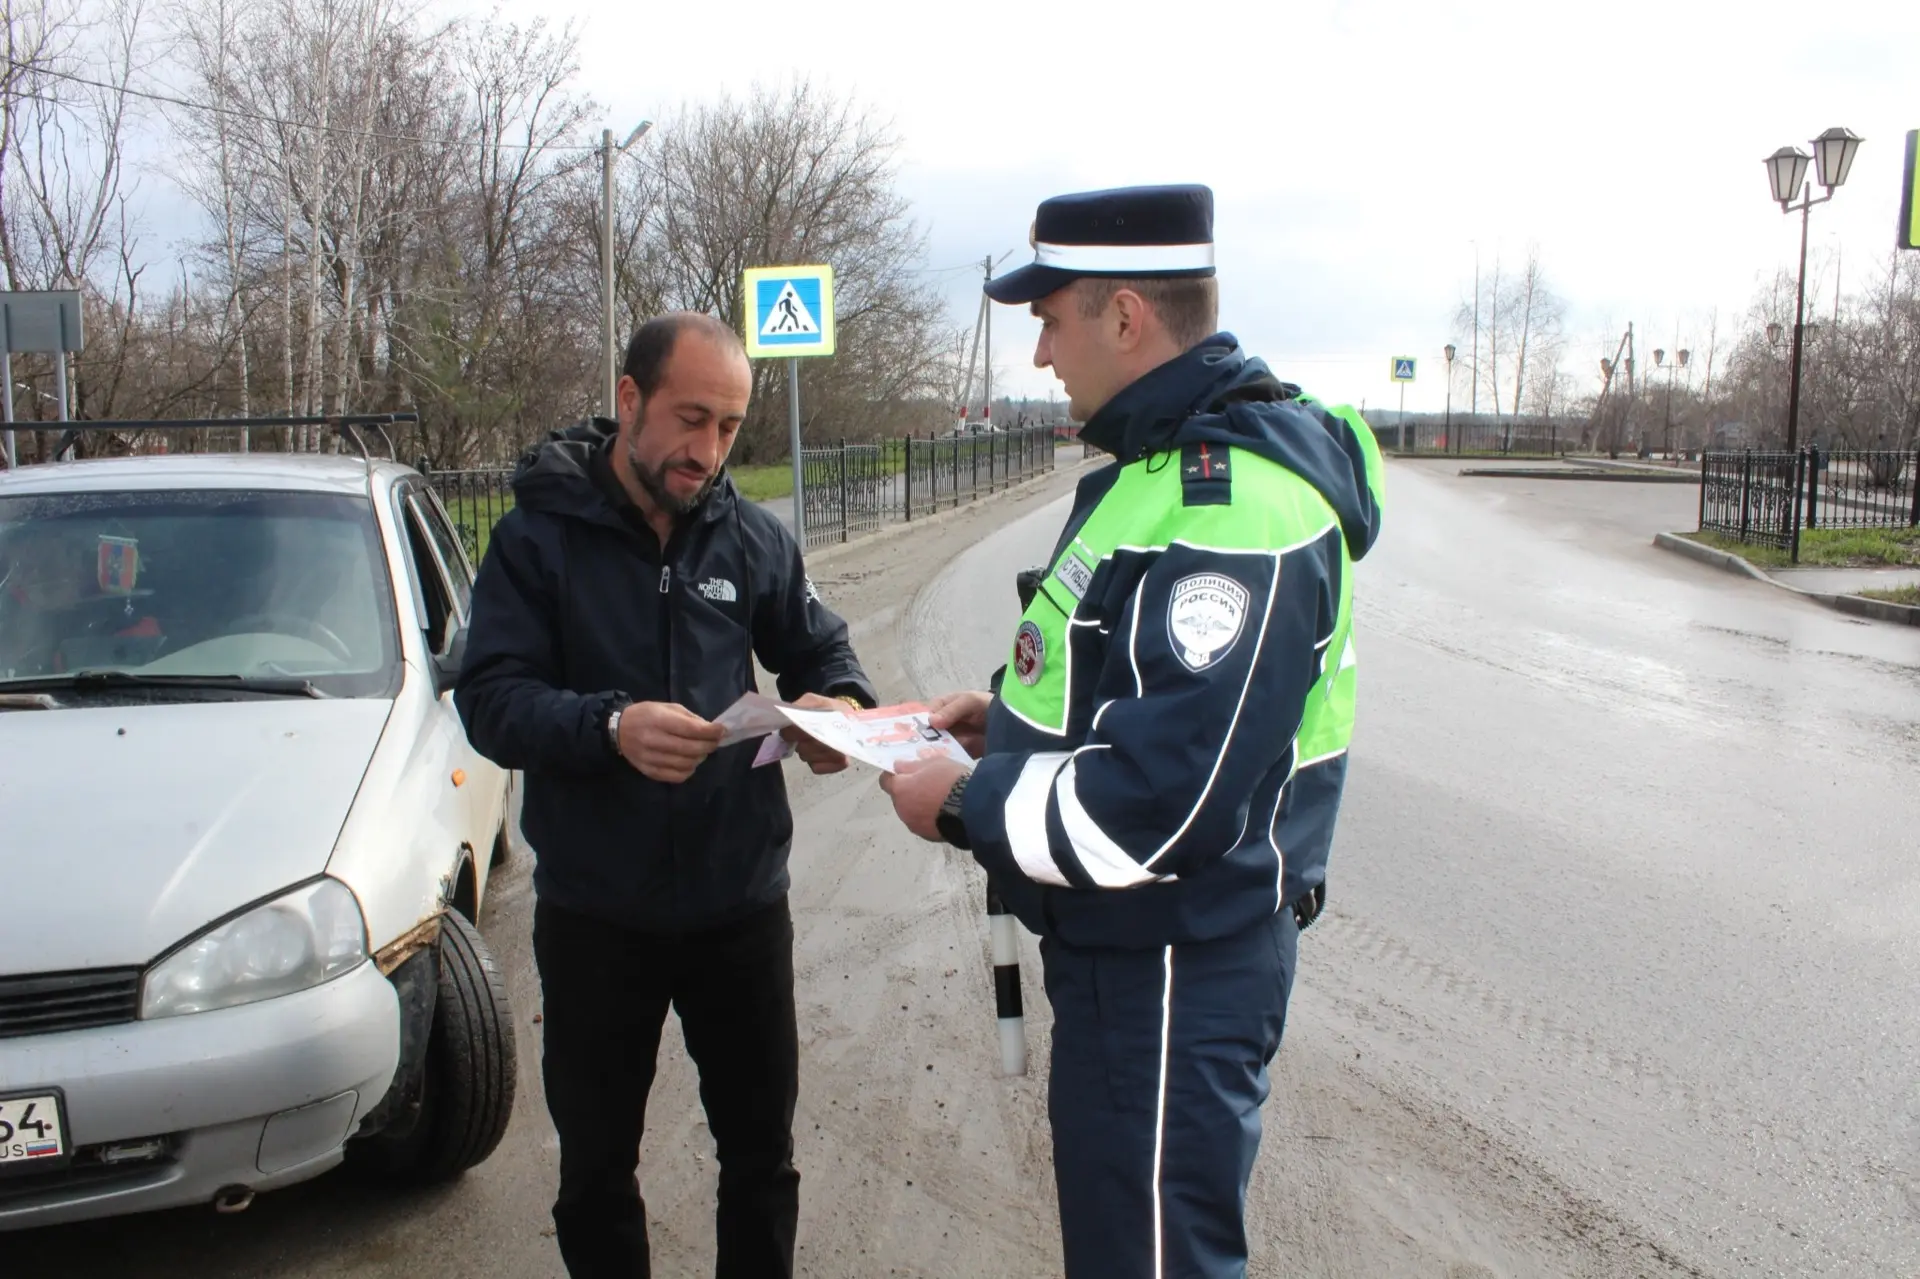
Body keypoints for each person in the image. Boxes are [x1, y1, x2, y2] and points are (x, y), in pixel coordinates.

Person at [879, 184, 1386, 1279]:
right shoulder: (1159, 472)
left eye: (1050, 322)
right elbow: (1125, 684)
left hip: (1172, 964)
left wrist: (966, 802)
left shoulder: (1229, 502)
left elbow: (1167, 802)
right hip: (1140, 959)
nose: (1043, 356)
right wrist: (1003, 729)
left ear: (1123, 318)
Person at [454, 312, 878, 1279]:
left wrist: (836, 711)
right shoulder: (535, 539)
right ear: (629, 401)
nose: (709, 452)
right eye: (692, 420)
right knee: (598, 1167)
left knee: (761, 1156)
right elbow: (490, 700)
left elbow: (823, 649)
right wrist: (609, 728)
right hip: (596, 913)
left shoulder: (751, 537)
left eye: (729, 428)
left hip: (740, 904)